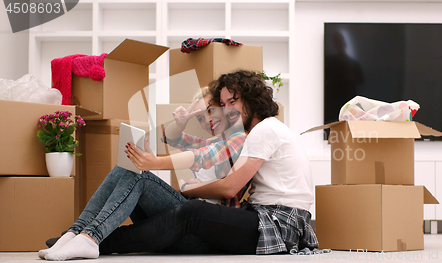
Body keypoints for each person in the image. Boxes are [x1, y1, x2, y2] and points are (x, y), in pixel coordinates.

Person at [93, 70, 320, 256]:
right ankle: (88, 235)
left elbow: (230, 187)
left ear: (252, 98)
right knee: (168, 208)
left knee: (192, 211)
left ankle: (100, 242)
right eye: (223, 103)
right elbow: (180, 141)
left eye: (233, 101)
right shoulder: (254, 132)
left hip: (278, 222)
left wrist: (187, 189)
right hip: (266, 216)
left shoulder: (264, 130)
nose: (228, 109)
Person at [39, 87, 248, 260]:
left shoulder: (239, 139)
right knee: (127, 166)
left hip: (202, 232)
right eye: (200, 118)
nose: (207, 121)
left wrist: (186, 186)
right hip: (182, 218)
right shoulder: (213, 141)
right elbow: (174, 139)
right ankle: (76, 232)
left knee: (140, 176)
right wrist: (180, 124)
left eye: (210, 111)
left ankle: (90, 238)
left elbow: (205, 156)